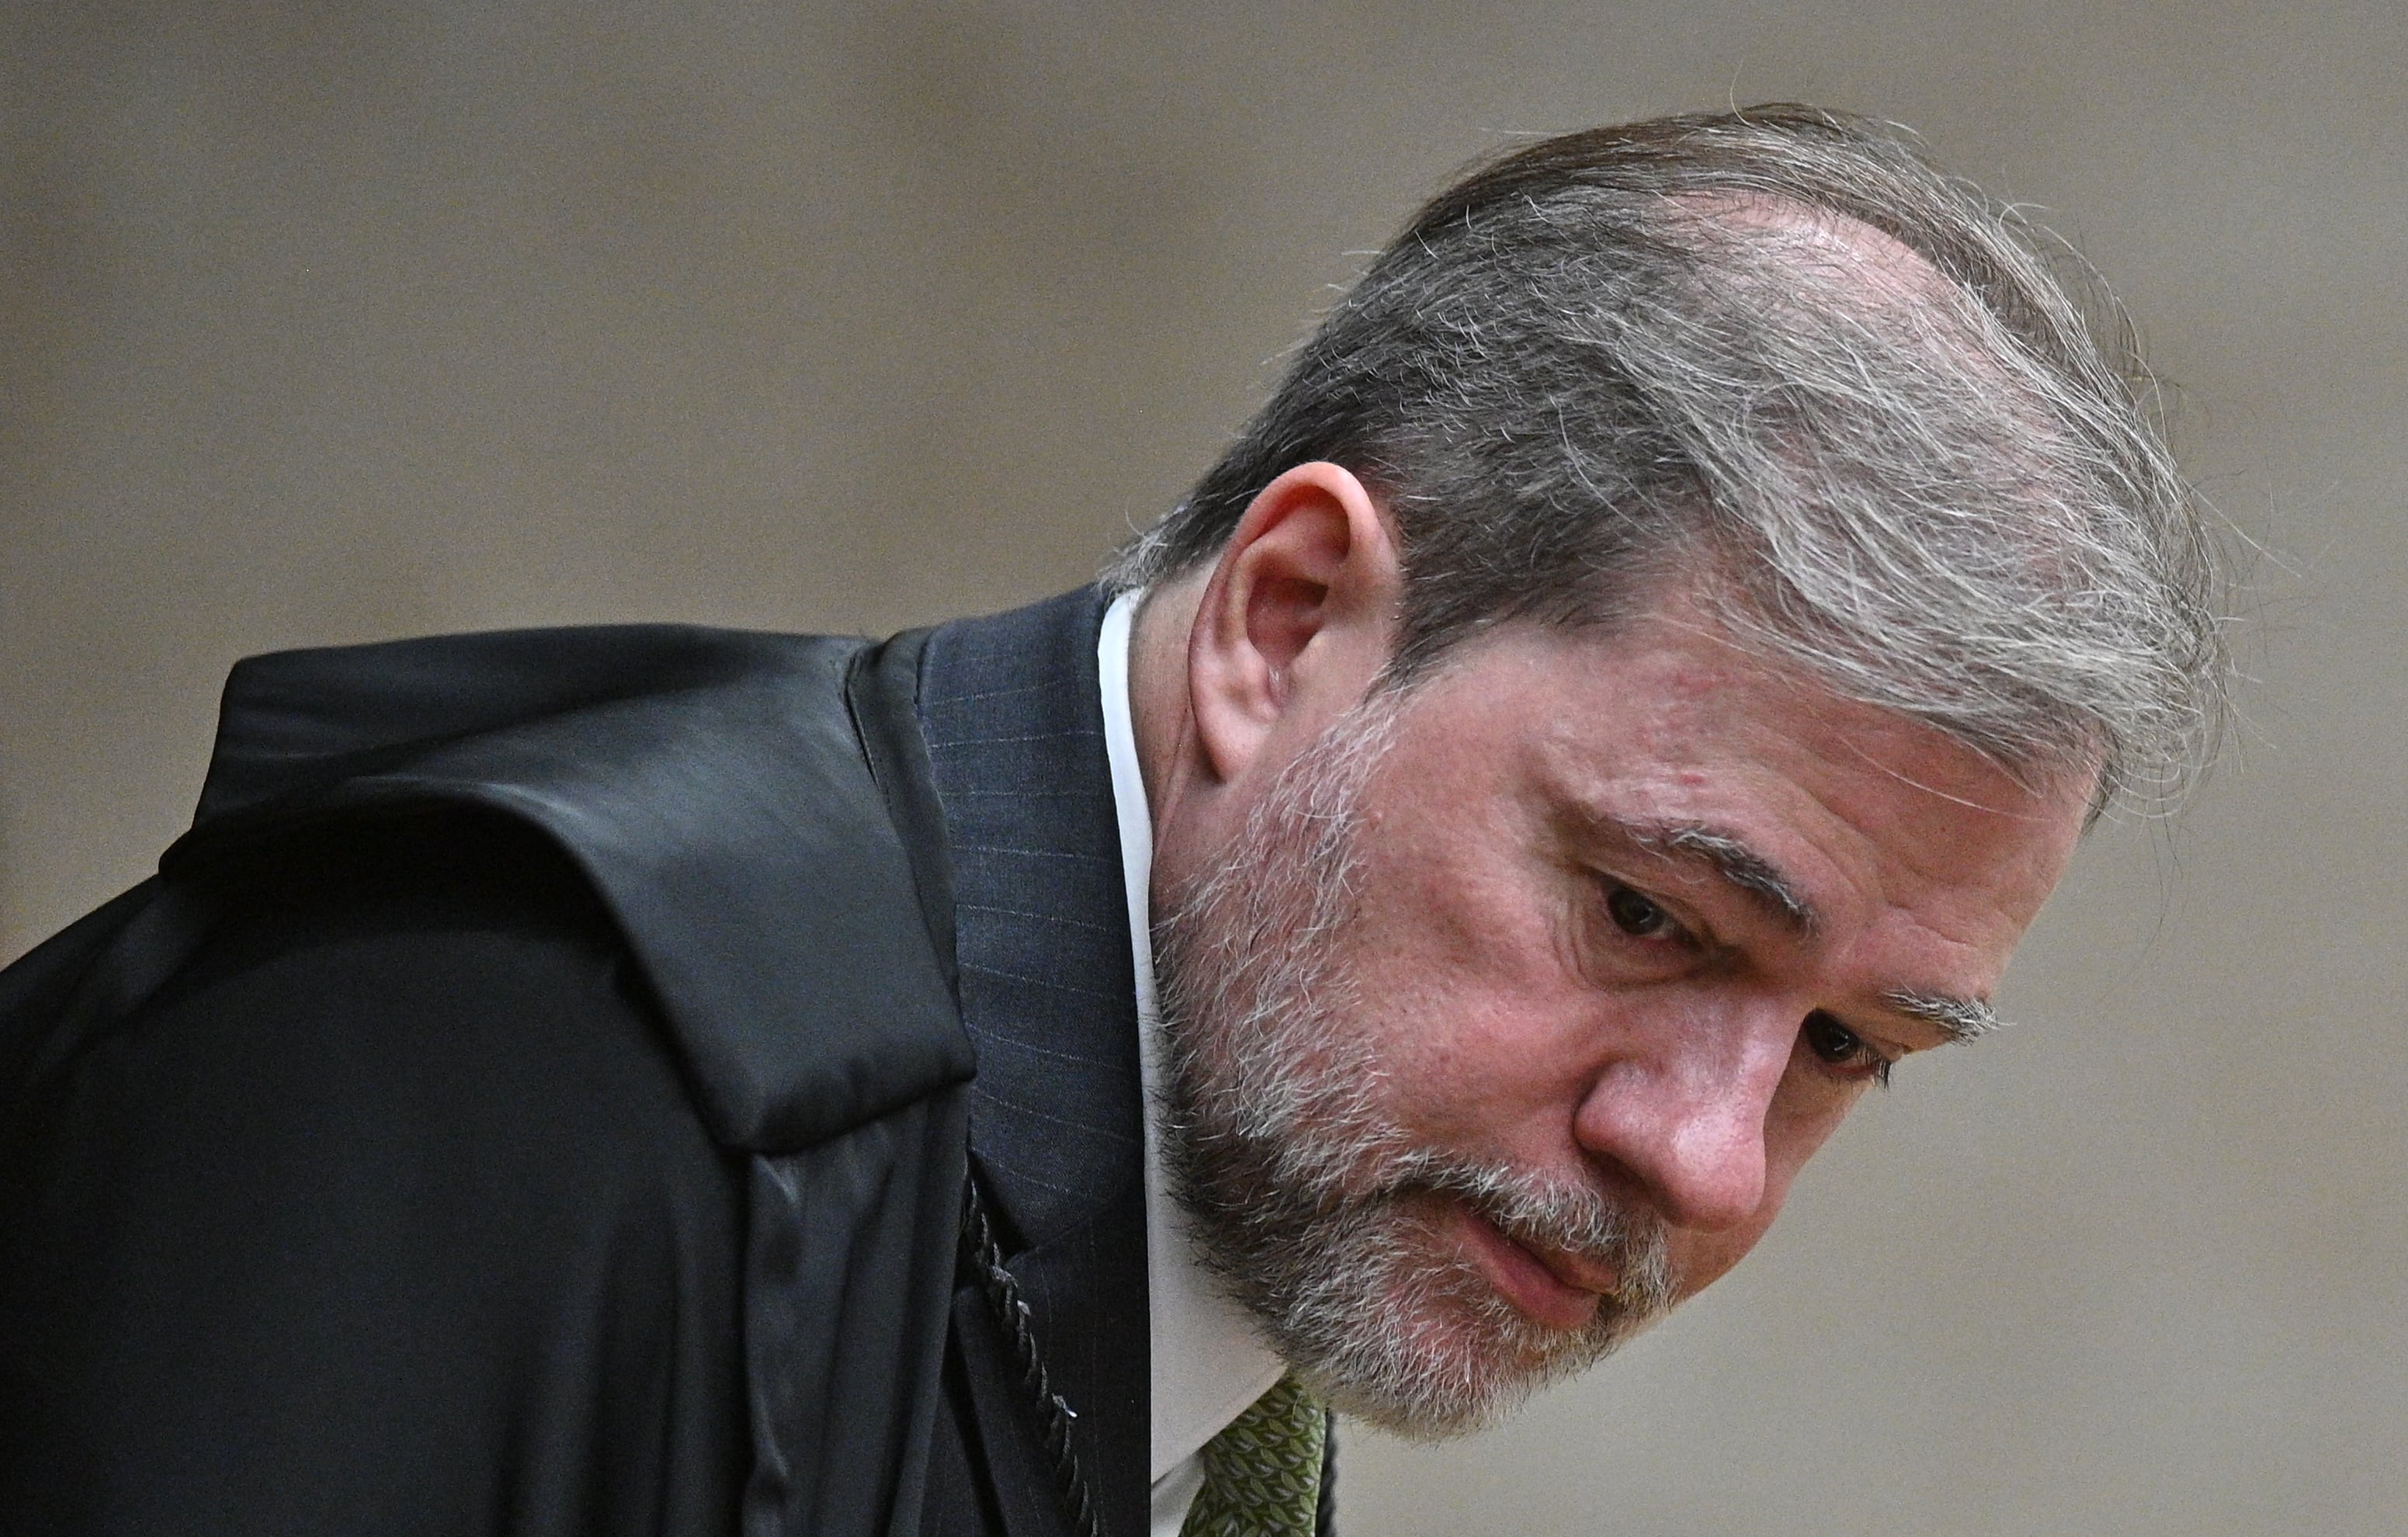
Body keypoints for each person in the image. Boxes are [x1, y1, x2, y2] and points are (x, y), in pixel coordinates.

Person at [0, 105, 2222, 1537]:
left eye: (1848, 1049)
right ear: (1286, 621)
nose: (1709, 1159)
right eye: (1648, 917)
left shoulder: (1199, 1209)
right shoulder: (507, 1062)